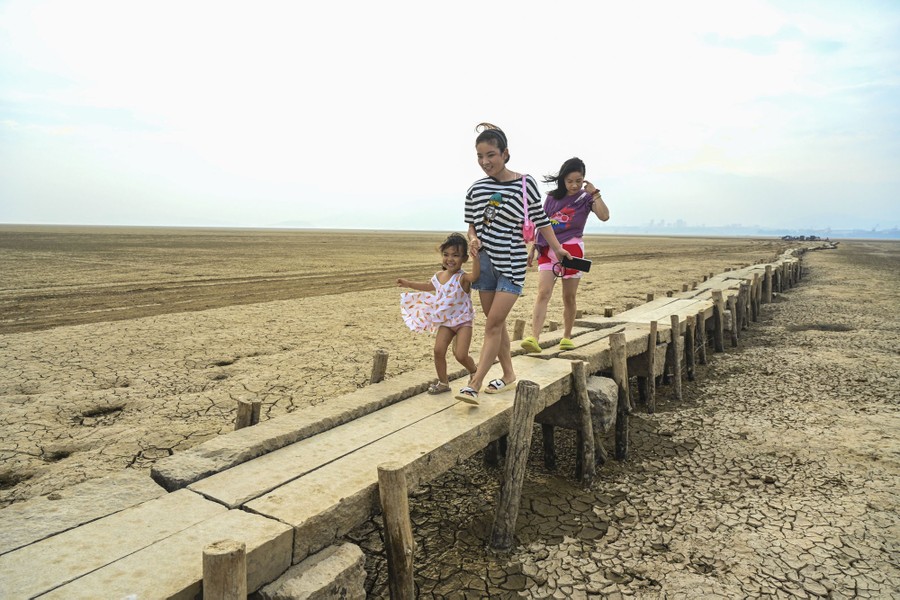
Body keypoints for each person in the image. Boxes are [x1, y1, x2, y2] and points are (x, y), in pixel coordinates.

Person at [456, 123, 571, 405]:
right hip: (484, 265)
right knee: (497, 324)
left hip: (512, 263)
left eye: (491, 155)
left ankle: (474, 383)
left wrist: (557, 249)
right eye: (480, 156)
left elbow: (541, 220)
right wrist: (472, 240)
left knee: (493, 324)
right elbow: (472, 226)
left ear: (505, 153)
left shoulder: (524, 183)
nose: (485, 162)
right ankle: (508, 375)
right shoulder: (475, 189)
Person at [521, 157, 610, 353]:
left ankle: (567, 337)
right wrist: (533, 248)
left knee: (568, 296)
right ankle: (534, 338)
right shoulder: (552, 197)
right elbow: (540, 223)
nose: (574, 185)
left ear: (584, 179)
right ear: (562, 179)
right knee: (543, 293)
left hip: (572, 251)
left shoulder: (586, 198)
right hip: (547, 249)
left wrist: (594, 193)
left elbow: (604, 216)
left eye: (579, 181)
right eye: (570, 181)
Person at [397, 233, 480, 394]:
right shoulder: (438, 276)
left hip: (463, 321)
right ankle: (443, 383)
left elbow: (475, 276)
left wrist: (476, 257)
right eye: (446, 255)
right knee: (438, 351)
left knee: (461, 355)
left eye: (456, 255)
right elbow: (428, 286)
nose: (450, 259)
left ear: (464, 258)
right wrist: (408, 283)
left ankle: (474, 371)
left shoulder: (462, 278)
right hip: (446, 322)